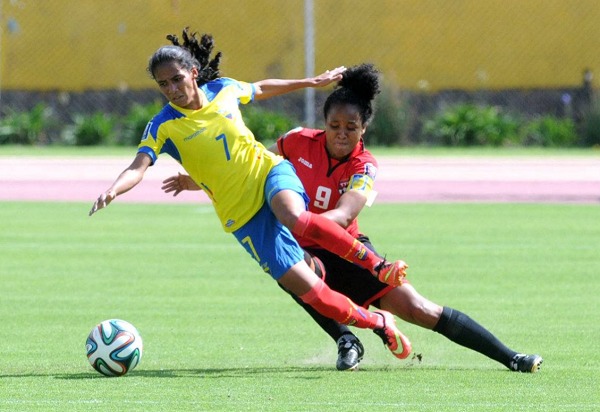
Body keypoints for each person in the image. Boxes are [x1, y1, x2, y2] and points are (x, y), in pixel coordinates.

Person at [164, 63, 543, 373]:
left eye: (351, 128)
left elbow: (344, 216)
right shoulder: (297, 141)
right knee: (293, 273)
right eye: (334, 126)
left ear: (363, 129)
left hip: (348, 251)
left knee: (420, 310)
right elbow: (248, 164)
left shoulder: (365, 166)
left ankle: (510, 357)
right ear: (323, 123)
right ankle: (347, 340)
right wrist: (196, 179)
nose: (341, 134)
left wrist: (302, 222)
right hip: (306, 245)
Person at [89, 28, 412, 361]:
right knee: (313, 294)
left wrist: (310, 82)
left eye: (177, 79)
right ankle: (378, 322)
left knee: (295, 217)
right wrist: (115, 189)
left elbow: (261, 88)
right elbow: (139, 165)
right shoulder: (163, 125)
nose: (172, 89)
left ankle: (378, 265)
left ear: (194, 74)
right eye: (163, 84)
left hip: (268, 173)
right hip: (243, 217)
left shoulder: (223, 89)